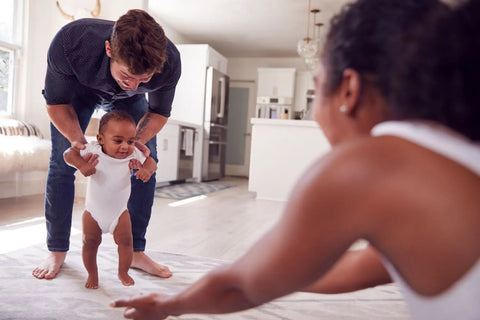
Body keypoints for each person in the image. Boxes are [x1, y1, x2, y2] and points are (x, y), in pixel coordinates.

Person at [112, 0, 480, 319]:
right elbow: (365, 265)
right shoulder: (454, 156)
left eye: (318, 86)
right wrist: (279, 269)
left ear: (348, 90)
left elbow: (238, 288)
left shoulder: (370, 166)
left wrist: (168, 305)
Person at [32, 9, 180, 280]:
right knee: (61, 162)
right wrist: (78, 142)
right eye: (128, 76)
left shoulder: (168, 63)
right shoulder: (71, 42)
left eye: (144, 79)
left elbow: (158, 113)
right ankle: (57, 249)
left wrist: (136, 144)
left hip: (129, 105)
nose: (134, 84)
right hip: (78, 90)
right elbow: (56, 104)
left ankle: (135, 251)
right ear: (109, 49)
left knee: (145, 161)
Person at [64, 110, 156, 289]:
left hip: (119, 213)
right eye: (118, 140)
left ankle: (123, 271)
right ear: (100, 139)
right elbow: (68, 154)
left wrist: (146, 170)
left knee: (127, 242)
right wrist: (82, 165)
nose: (125, 146)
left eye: (130, 141)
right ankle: (92, 273)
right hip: (93, 212)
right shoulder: (93, 150)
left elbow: (151, 162)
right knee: (89, 243)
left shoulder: (133, 154)